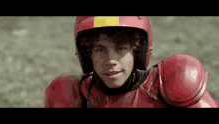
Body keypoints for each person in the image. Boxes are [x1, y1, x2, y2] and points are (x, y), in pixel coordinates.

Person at [44, 16, 219, 108]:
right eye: (100, 50)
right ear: (87, 54)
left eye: (120, 49)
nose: (111, 60)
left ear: (136, 51)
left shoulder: (175, 85)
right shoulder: (72, 97)